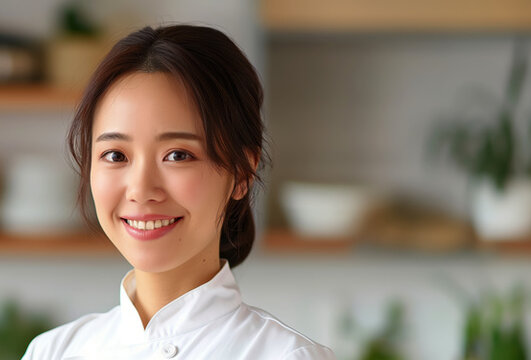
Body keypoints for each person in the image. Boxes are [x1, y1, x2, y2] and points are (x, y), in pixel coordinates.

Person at [20, 25, 335, 359]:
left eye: (178, 155)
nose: (141, 190)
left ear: (242, 172)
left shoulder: (287, 355)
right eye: (116, 156)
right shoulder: (53, 351)